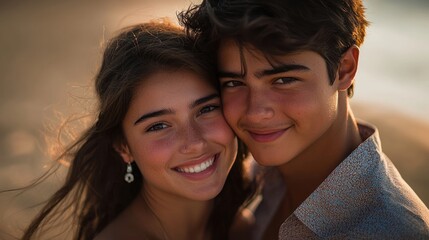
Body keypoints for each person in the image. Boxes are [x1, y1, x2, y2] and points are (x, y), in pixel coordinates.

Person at [179, 0, 429, 239]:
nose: (255, 112)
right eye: (234, 83)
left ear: (344, 68)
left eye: (284, 80)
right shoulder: (265, 171)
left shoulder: (391, 230)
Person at [20, 21, 250, 240]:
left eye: (206, 109)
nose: (195, 142)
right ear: (123, 146)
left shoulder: (244, 226)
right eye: (158, 125)